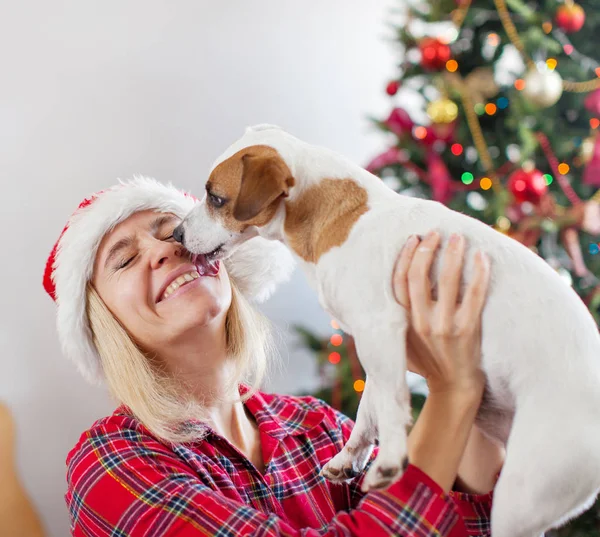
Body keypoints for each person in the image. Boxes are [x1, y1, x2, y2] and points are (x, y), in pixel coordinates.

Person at [43, 177, 504, 536]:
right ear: (104, 324)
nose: (166, 249)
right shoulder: (111, 465)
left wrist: (473, 368)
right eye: (124, 261)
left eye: (173, 230)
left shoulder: (317, 428)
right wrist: (450, 389)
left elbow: (474, 525)